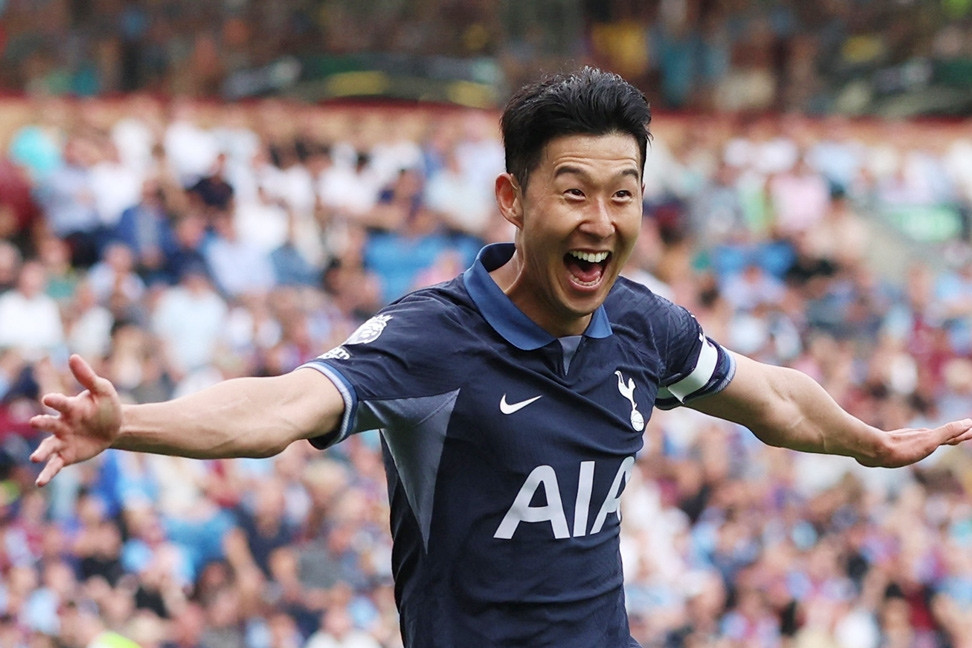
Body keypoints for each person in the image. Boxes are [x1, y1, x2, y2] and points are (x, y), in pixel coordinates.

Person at [28, 68, 972, 648]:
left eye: (625, 194)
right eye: (574, 193)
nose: (601, 223)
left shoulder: (643, 327)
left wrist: (865, 443)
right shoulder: (431, 337)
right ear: (513, 200)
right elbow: (281, 407)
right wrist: (131, 425)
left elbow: (765, 395)